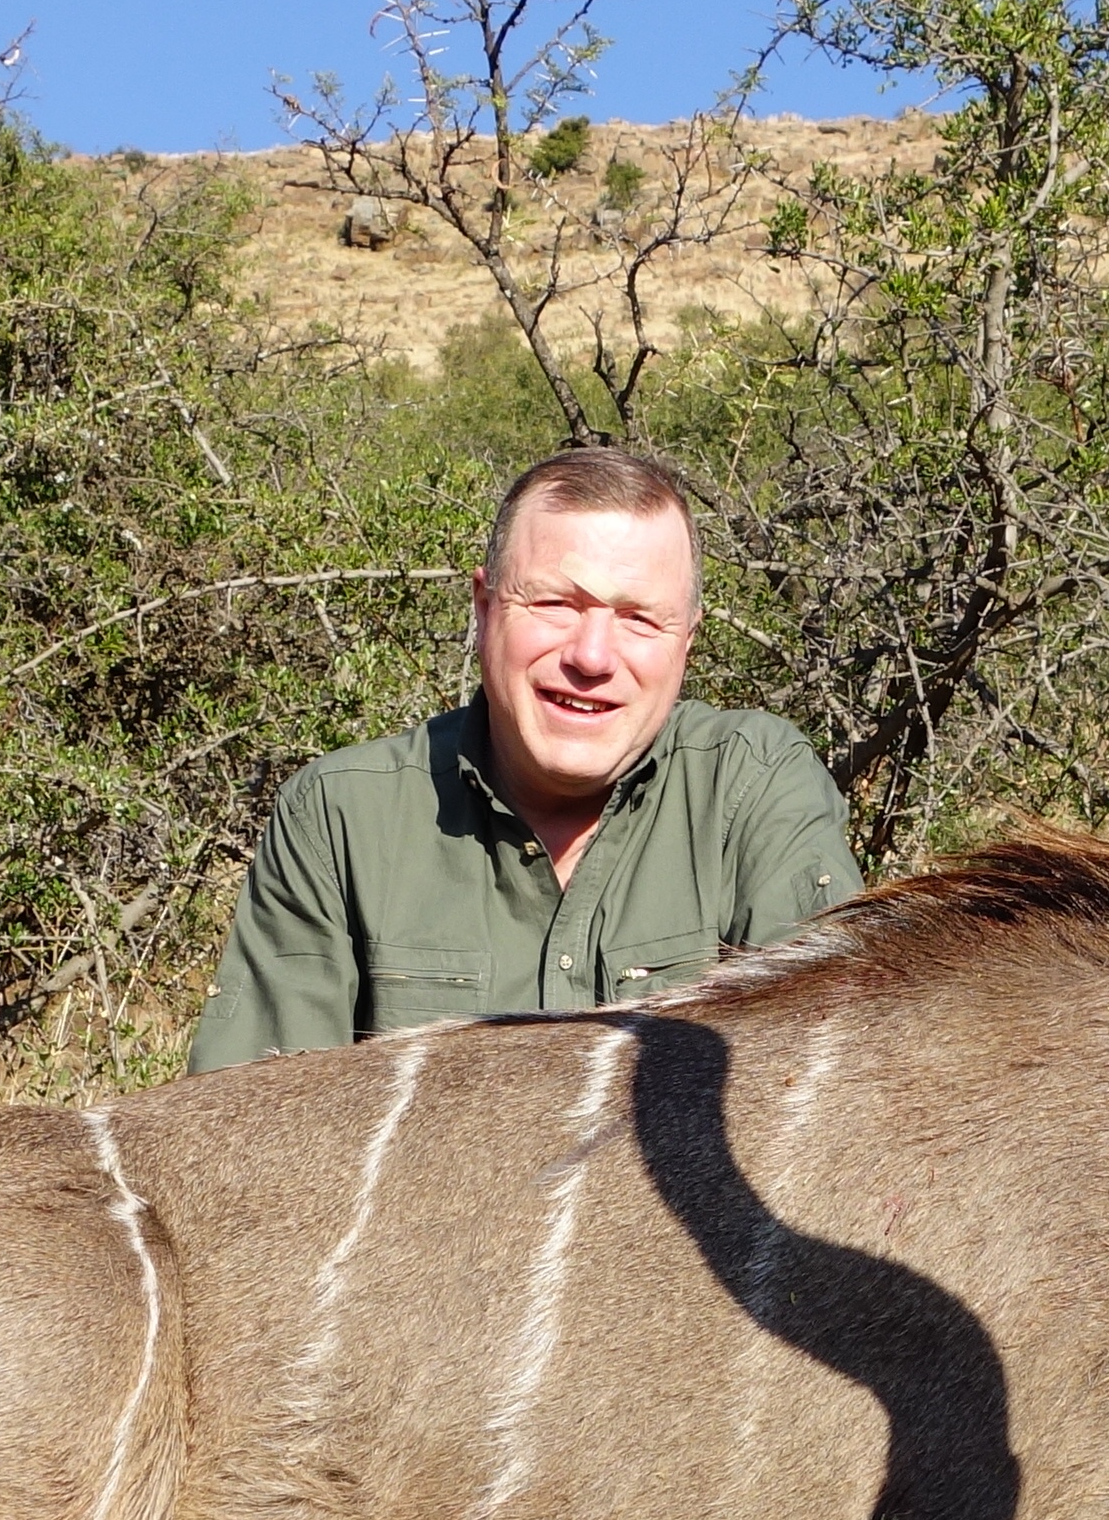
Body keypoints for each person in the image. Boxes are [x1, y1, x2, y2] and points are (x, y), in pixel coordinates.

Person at [187, 447, 860, 1070]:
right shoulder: (341, 817)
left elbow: (822, 1102)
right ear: (483, 609)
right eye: (553, 604)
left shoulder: (756, 787)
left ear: (685, 640)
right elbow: (251, 1137)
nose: (590, 658)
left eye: (637, 619)